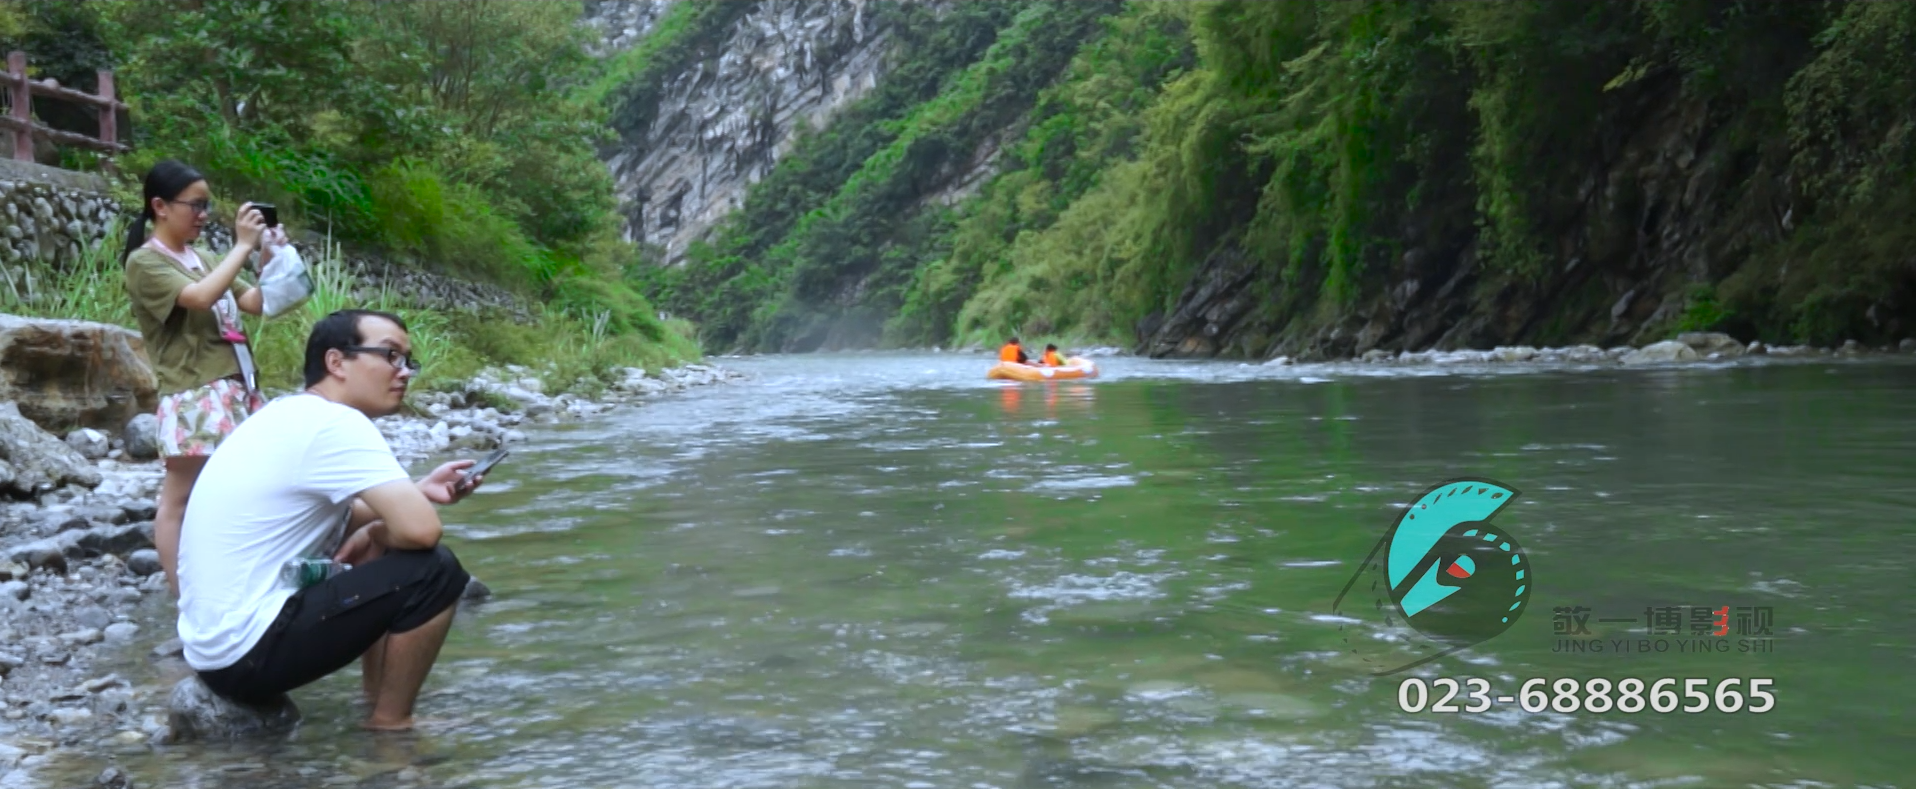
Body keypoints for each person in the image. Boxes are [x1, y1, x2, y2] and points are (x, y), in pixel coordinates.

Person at [176, 309, 484, 731]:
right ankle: (392, 726)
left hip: (215, 651)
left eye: (408, 360)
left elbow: (327, 515)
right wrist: (386, 524)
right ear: (336, 362)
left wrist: (417, 490)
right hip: (249, 654)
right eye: (391, 356)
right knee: (435, 569)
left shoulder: (288, 414)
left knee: (382, 546)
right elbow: (422, 531)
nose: (404, 372)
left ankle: (375, 700)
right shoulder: (335, 424)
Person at [122, 159, 286, 596]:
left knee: (238, 490)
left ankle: (233, 582)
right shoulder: (144, 262)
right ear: (159, 206)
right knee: (177, 500)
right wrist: (241, 247)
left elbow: (255, 302)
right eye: (195, 205)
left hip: (237, 386)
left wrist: (267, 255)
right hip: (193, 393)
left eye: (206, 205)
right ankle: (186, 596)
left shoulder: (205, 257)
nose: (203, 214)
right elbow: (198, 297)